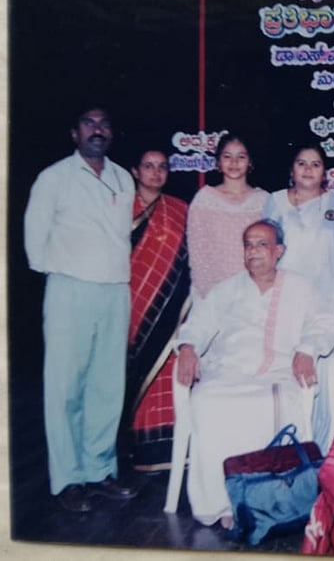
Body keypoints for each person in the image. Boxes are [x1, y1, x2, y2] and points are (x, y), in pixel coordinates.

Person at [174, 220, 334, 529]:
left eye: (262, 244)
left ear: (279, 251)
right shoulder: (227, 288)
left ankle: (270, 502)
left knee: (273, 405)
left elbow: (324, 325)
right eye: (249, 244)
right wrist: (187, 347)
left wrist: (307, 349)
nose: (254, 251)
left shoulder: (301, 287)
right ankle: (222, 503)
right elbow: (198, 324)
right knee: (207, 402)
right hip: (226, 373)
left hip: (277, 374)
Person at [24, 106, 137, 512]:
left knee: (107, 386)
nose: (97, 130)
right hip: (69, 288)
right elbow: (34, 240)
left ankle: (99, 471)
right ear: (75, 133)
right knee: (65, 387)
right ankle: (68, 480)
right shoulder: (54, 178)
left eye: (105, 124)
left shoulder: (124, 178)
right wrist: (63, 267)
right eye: (89, 124)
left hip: (114, 290)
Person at [263, 140, 334, 447]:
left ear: (324, 172)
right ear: (292, 168)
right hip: (285, 307)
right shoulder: (274, 203)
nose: (308, 169)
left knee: (325, 379)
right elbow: (266, 254)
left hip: (329, 310)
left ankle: (319, 448)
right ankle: (285, 448)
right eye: (302, 163)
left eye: (315, 164)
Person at [125, 149, 190, 470]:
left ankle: (167, 453)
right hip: (129, 309)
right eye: (148, 166)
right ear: (135, 171)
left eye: (162, 167)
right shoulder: (118, 208)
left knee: (165, 376)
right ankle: (130, 452)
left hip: (170, 313)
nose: (155, 173)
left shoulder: (180, 210)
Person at [186, 133, 269, 300]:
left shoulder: (264, 201)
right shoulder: (205, 199)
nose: (234, 162)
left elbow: (269, 251)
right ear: (218, 162)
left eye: (241, 156)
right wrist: (209, 294)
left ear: (250, 162)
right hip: (211, 292)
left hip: (253, 293)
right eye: (227, 156)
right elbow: (197, 252)